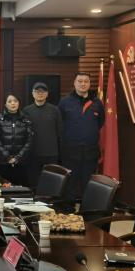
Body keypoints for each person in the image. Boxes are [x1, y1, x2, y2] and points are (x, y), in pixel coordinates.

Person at [58, 72, 105, 202]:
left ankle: (87, 211)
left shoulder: (97, 102)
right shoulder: (64, 102)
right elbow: (60, 124)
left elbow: (101, 122)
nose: (83, 84)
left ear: (89, 84)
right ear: (74, 83)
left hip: (90, 152)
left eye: (86, 81)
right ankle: (68, 208)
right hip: (70, 151)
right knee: (69, 183)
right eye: (80, 81)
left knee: (89, 184)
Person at [22, 82, 63, 189]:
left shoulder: (55, 110)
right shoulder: (26, 111)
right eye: (37, 91)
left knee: (51, 184)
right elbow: (23, 133)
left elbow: (60, 132)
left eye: (43, 91)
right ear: (32, 93)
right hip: (32, 154)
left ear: (47, 94)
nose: (40, 94)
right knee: (33, 185)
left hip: (51, 154)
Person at [0, 94, 33, 185]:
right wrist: (7, 157)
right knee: (2, 190)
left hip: (21, 163)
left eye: (15, 101)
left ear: (19, 103)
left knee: (21, 190)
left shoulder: (25, 118)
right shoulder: (0, 118)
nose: (13, 103)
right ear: (5, 104)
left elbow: (30, 139)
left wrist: (18, 157)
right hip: (3, 162)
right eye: (9, 101)